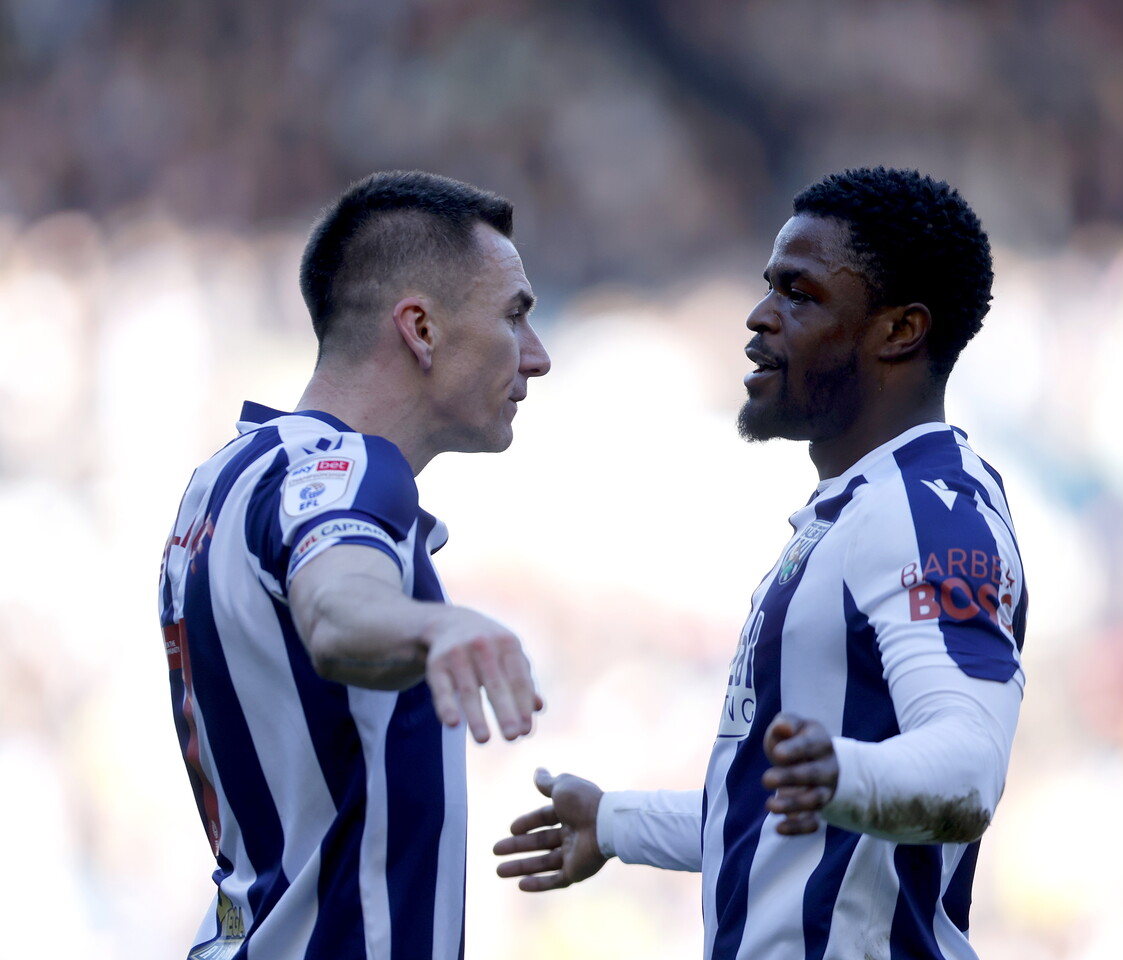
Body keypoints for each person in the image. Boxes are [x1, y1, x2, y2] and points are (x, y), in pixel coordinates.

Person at [494, 166, 1028, 960]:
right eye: (769, 286)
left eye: (800, 295)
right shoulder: (853, 513)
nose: (759, 316)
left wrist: (842, 776)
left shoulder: (925, 512)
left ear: (899, 330)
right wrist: (614, 823)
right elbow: (776, 815)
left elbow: (968, 766)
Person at [158, 170, 551, 960]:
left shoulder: (224, 480)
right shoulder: (345, 468)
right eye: (515, 315)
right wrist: (434, 624)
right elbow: (338, 610)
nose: (537, 358)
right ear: (421, 329)